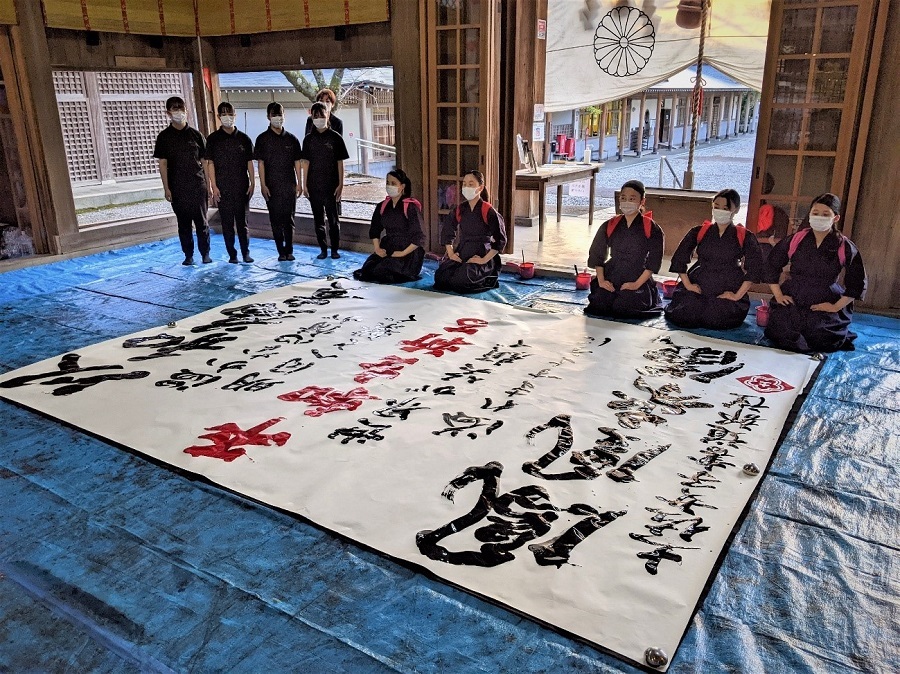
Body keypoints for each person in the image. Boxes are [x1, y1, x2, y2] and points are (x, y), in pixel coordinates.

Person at [764, 193, 867, 353]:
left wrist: (835, 307)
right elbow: (772, 264)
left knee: (820, 334)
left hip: (825, 297)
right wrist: (778, 295)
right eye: (815, 213)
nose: (819, 217)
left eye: (825, 214)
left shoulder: (843, 245)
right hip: (794, 295)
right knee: (782, 328)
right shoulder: (797, 239)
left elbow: (857, 280)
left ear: (836, 218)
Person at [665, 188, 764, 329]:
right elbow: (679, 258)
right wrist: (688, 285)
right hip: (700, 280)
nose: (720, 211)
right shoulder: (699, 231)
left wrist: (737, 296)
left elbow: (755, 267)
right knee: (687, 313)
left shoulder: (744, 235)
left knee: (717, 317)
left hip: (729, 284)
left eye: (725, 208)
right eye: (716, 207)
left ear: (735, 210)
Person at [585, 180, 664, 317]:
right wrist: (602, 281)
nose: (627, 202)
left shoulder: (651, 227)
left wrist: (636, 284)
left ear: (642, 201)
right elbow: (597, 254)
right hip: (613, 271)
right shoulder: (610, 224)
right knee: (600, 304)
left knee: (625, 307)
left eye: (632, 198)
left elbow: (654, 260)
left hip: (638, 274)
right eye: (623, 198)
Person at [153, 96, 210, 265]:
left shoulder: (196, 135)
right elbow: (162, 163)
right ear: (168, 113)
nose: (178, 112)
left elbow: (205, 161)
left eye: (181, 108)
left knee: (202, 222)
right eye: (174, 109)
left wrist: (209, 184)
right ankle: (188, 255)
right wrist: (166, 188)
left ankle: (205, 253)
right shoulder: (164, 137)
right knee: (183, 223)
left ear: (186, 111)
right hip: (177, 186)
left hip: (197, 185)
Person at [433, 170, 507, 294]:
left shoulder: (488, 210)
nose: (466, 187)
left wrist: (484, 260)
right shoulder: (460, 209)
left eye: (471, 184)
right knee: (441, 277)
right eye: (464, 184)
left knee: (461, 281)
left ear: (480, 188)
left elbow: (500, 239)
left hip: (482, 253)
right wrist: (451, 254)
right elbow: (448, 229)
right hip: (463, 250)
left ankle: (487, 275)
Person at [353, 169, 426, 283]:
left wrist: (402, 253)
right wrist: (377, 248)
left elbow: (419, 236)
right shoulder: (382, 206)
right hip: (389, 246)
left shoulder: (410, 207)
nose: (389, 186)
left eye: (393, 183)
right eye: (388, 183)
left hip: (408, 252)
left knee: (383, 271)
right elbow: (375, 229)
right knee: (368, 269)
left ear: (402, 186)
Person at [205, 101, 255, 264]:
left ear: (235, 115)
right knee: (227, 223)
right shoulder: (213, 139)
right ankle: (232, 255)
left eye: (230, 113)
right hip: (223, 187)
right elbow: (210, 163)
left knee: (243, 223)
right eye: (224, 114)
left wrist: (253, 182)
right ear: (219, 117)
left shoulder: (244, 139)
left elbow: (249, 162)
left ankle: (246, 253)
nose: (228, 117)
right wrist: (213, 185)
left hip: (241, 186)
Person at [254, 102, 302, 261]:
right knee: (276, 220)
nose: (278, 118)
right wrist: (262, 185)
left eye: (280, 115)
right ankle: (281, 252)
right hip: (271, 186)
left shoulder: (291, 139)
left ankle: (289, 250)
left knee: (289, 220)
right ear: (268, 117)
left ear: (284, 116)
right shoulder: (262, 139)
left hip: (289, 185)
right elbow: (260, 163)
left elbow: (297, 163)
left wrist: (299, 183)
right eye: (274, 115)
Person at [301, 102, 349, 259]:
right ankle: (323, 249)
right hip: (314, 186)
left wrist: (341, 184)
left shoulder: (336, 138)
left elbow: (340, 162)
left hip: (332, 186)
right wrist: (304, 184)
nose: (319, 118)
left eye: (321, 115)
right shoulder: (308, 139)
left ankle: (335, 249)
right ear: (312, 118)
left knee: (333, 220)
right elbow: (305, 162)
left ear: (327, 115)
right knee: (318, 220)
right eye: (315, 116)